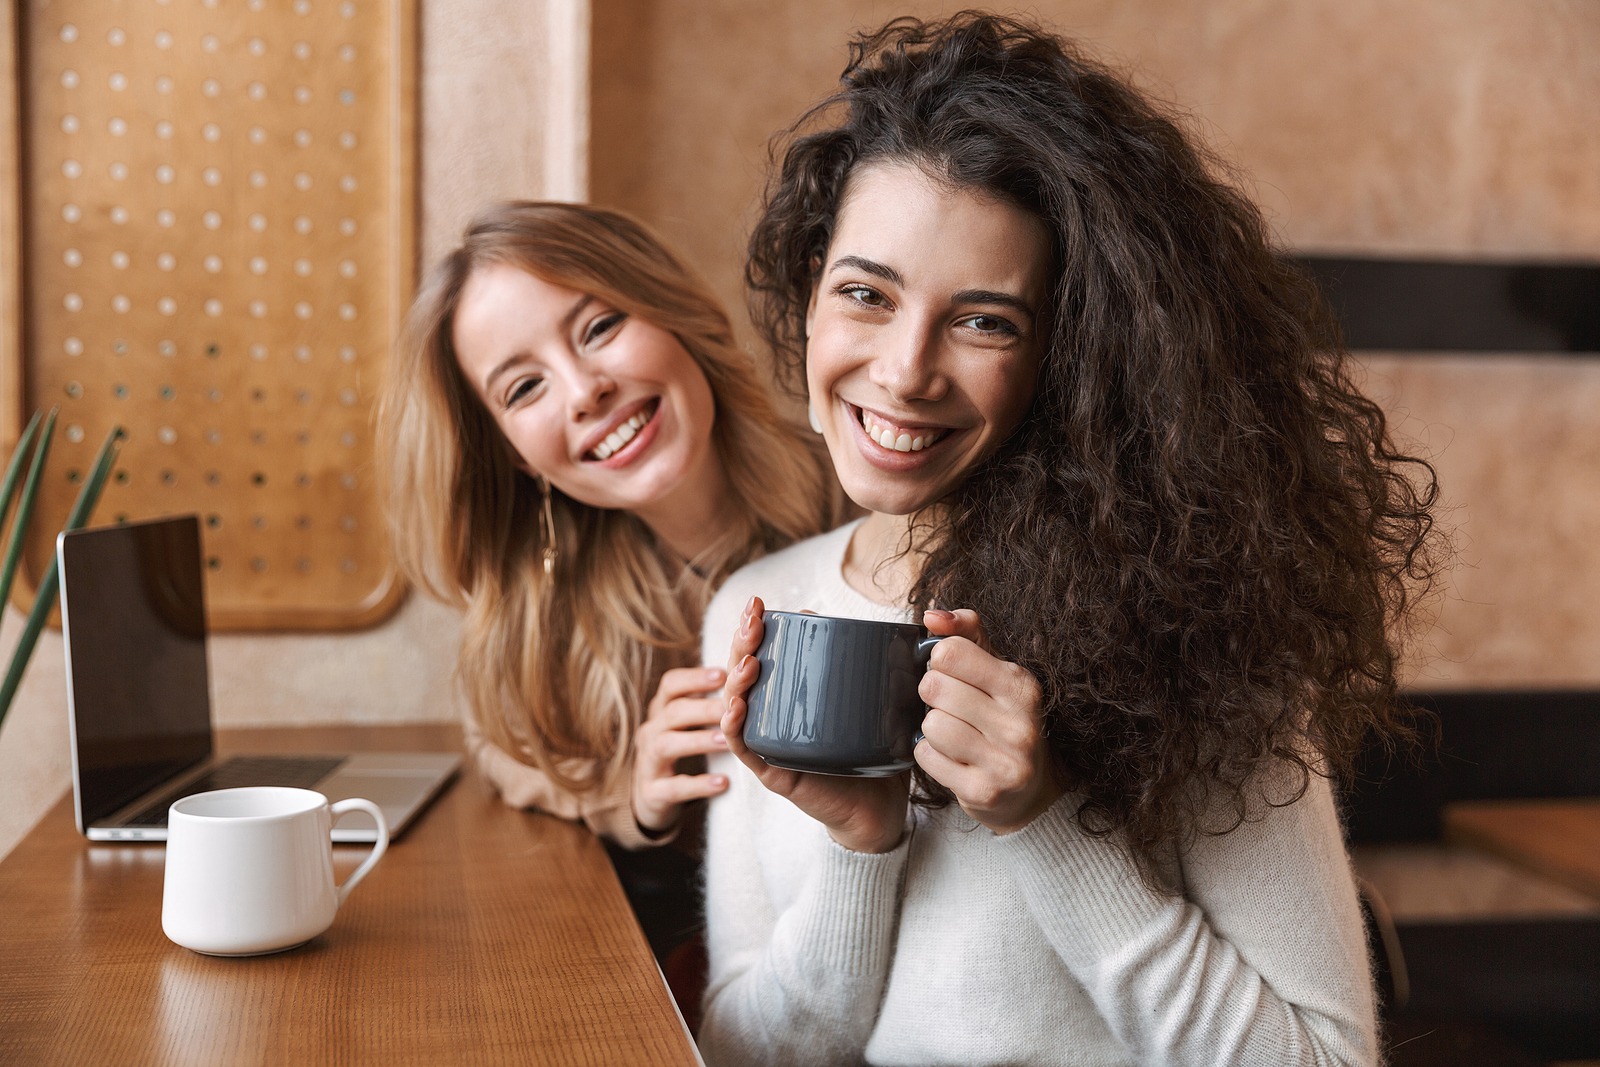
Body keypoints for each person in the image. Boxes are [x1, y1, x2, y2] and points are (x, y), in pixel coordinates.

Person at [698, 14, 1439, 1066]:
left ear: (1071, 353)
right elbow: (744, 1054)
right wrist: (862, 845)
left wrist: (1045, 818)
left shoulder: (1195, 617)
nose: (905, 370)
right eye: (866, 292)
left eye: (984, 320)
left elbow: (1323, 1059)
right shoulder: (751, 610)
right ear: (813, 291)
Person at [380, 201, 839, 850]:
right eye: (523, 388)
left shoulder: (864, 494)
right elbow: (505, 750)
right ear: (515, 453)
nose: (583, 390)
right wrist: (629, 795)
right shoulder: (543, 616)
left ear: (670, 310)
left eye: (599, 327)